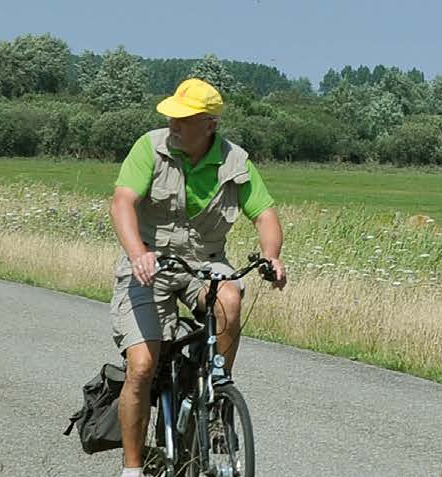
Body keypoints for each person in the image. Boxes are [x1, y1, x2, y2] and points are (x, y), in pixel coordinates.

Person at [107, 78, 288, 477]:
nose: (173, 123)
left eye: (184, 118)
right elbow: (122, 201)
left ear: (210, 124)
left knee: (230, 297)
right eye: (171, 115)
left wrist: (272, 257)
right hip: (149, 263)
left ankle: (217, 398)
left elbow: (265, 214)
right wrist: (137, 252)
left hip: (205, 260)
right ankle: (132, 469)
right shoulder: (149, 148)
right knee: (141, 366)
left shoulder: (235, 162)